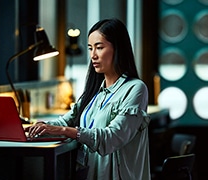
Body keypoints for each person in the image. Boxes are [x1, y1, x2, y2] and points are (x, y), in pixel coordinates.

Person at [25, 18, 151, 180]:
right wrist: (38, 127)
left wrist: (64, 131)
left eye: (99, 47)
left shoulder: (135, 88)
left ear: (118, 48)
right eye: (91, 48)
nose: (93, 55)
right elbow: (65, 122)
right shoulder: (95, 91)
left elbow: (111, 138)